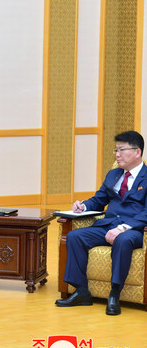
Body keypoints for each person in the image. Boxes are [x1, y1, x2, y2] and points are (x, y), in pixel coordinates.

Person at [56, 130, 147, 316]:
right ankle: (81, 291)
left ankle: (114, 293)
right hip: (107, 225)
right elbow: (99, 200)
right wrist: (83, 206)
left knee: (123, 240)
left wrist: (123, 228)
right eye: (116, 150)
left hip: (133, 229)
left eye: (122, 149)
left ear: (137, 152)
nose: (117, 154)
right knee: (75, 236)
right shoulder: (114, 175)